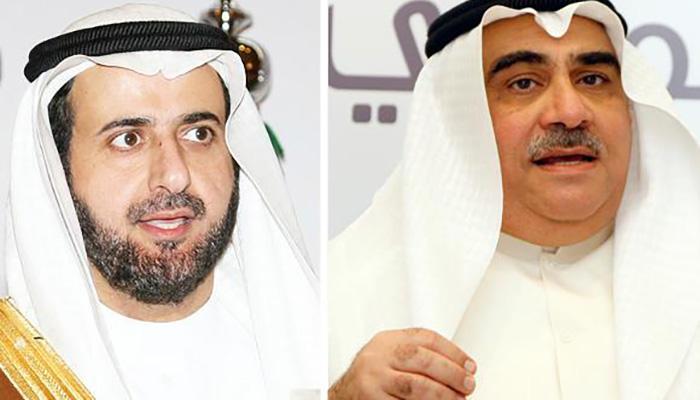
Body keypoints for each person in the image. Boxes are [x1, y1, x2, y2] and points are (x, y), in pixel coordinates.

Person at [329, 0, 700, 399]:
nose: (570, 112)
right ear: (460, 121)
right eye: (524, 83)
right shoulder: (340, 296)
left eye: (592, 79)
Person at [4, 4, 319, 400]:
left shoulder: (322, 358)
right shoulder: (10, 378)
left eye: (199, 134)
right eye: (128, 139)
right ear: (57, 168)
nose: (174, 175)